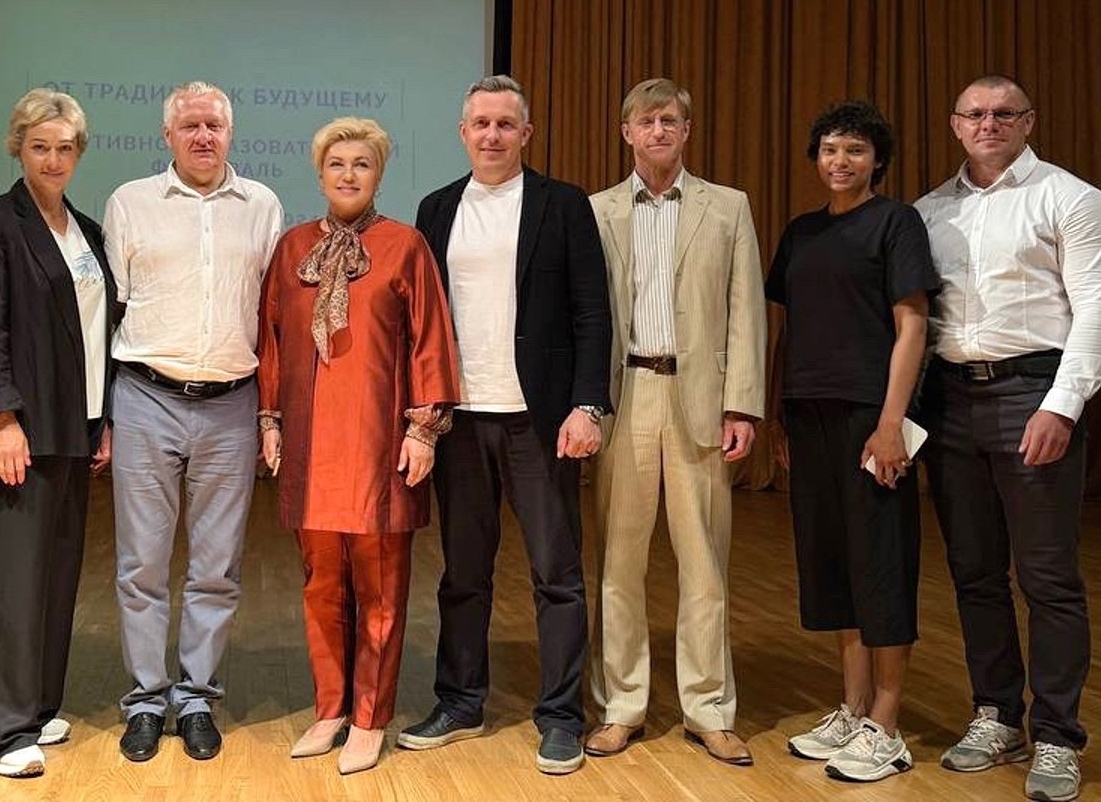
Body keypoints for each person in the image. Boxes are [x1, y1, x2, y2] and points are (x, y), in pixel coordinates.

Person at [915, 75, 1101, 802]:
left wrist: (1061, 407)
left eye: (1004, 113)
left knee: (1048, 577)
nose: (989, 124)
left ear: (1028, 121)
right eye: (975, 114)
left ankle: (1059, 735)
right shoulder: (930, 211)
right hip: (950, 401)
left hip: (1032, 391)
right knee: (974, 573)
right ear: (955, 125)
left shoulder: (1072, 199)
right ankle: (997, 715)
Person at [402, 75, 611, 776]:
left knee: (557, 574)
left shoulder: (564, 205)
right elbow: (422, 320)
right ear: (462, 133)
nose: (491, 135)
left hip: (539, 420)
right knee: (464, 575)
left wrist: (588, 405)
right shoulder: (436, 208)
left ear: (526, 133)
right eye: (480, 124)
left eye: (504, 124)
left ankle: (561, 716)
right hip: (461, 420)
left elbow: (592, 312)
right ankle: (460, 702)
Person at [256, 117, 461, 775]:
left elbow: (430, 338)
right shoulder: (292, 248)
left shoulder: (405, 246)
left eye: (362, 164)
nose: (349, 174)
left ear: (379, 174)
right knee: (320, 584)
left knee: (379, 590)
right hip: (309, 444)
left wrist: (423, 429)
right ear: (320, 173)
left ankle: (370, 717)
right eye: (337, 163)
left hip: (378, 445)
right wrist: (269, 420)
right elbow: (271, 340)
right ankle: (330, 708)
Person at [584, 77, 766, 767]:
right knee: (618, 563)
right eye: (645, 121)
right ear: (626, 133)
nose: (657, 131)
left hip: (701, 399)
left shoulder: (728, 207)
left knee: (705, 563)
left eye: (669, 120)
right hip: (626, 393)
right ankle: (621, 705)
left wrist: (741, 403)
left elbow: (746, 311)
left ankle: (710, 710)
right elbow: (587, 314)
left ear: (687, 130)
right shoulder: (597, 210)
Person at [101, 81, 283, 763]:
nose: (204, 136)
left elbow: (270, 313)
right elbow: (111, 308)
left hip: (231, 404)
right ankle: (147, 701)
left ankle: (198, 697)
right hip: (145, 396)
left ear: (231, 133)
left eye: (214, 125)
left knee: (216, 567)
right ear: (167, 135)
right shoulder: (130, 202)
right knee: (141, 565)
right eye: (190, 126)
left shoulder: (262, 206)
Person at [766, 100, 940, 783]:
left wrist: (892, 423)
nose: (841, 161)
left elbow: (912, 325)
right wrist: (780, 414)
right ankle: (852, 705)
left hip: (871, 414)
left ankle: (886, 725)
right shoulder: (801, 232)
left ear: (878, 161)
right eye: (831, 149)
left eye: (856, 150)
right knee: (834, 562)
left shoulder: (897, 223)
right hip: (808, 414)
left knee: (880, 561)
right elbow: (790, 328)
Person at [0, 89, 116, 777]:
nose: (53, 159)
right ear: (17, 147)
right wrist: (1, 418)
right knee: (10, 584)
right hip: (20, 428)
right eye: (40, 146)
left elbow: (95, 331)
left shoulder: (87, 231)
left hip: (74, 427)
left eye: (65, 148)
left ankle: (37, 706)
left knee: (53, 576)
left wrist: (103, 420)